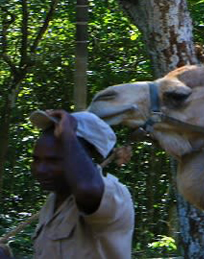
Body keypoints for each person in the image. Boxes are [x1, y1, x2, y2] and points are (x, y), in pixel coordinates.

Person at [0, 110, 134, 259]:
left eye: (54, 160)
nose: (41, 169)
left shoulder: (115, 195)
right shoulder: (53, 202)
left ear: (88, 156)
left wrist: (68, 135)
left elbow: (87, 189)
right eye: (37, 159)